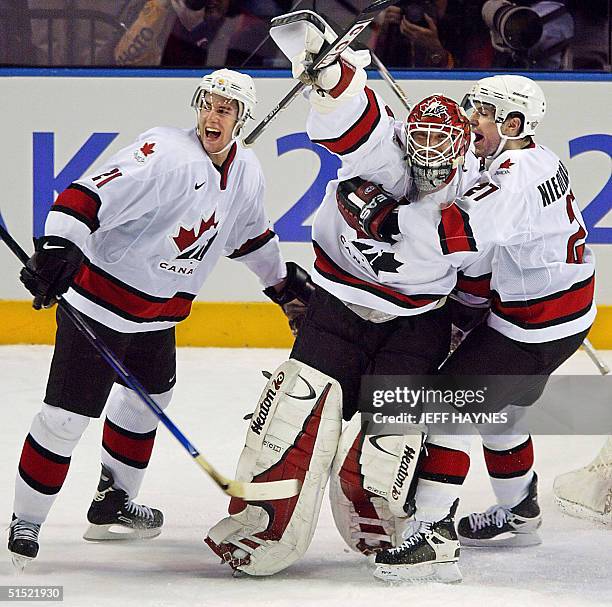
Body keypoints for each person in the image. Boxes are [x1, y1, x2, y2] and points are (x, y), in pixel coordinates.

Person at [203, 13, 507, 577]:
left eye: (440, 147)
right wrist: (323, 67)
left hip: (416, 323)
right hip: (339, 306)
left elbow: (475, 268)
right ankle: (260, 523)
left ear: (463, 148)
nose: (426, 157)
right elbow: (351, 116)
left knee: (392, 441)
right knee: (293, 420)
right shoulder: (386, 149)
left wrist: (466, 321)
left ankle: (384, 520)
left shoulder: (479, 188)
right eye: (418, 144)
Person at [8, 68, 314, 569]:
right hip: (99, 310)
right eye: (208, 104)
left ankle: (113, 504)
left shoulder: (247, 171)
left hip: (156, 319)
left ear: (242, 118)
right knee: (64, 419)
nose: (213, 115)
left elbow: (250, 236)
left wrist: (280, 286)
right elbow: (84, 197)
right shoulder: (165, 155)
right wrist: (61, 247)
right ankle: (26, 522)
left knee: (147, 403)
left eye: (226, 108)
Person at [373, 75, 596, 583]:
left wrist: (385, 219)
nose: (471, 119)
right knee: (500, 410)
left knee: (449, 405)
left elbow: (455, 237)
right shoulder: (535, 158)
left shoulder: (510, 180)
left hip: (534, 323)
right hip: (566, 311)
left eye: (482, 114)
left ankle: (432, 534)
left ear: (513, 123)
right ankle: (520, 510)